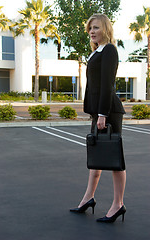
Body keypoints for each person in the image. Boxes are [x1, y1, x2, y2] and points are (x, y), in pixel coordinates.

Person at [70, 13, 126, 223]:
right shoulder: (96, 52)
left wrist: (102, 113)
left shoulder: (109, 50)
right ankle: (88, 198)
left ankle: (118, 205)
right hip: (99, 112)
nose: (92, 32)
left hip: (109, 111)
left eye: (96, 27)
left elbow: (107, 84)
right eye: (90, 29)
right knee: (96, 158)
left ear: (105, 28)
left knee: (114, 159)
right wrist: (95, 112)